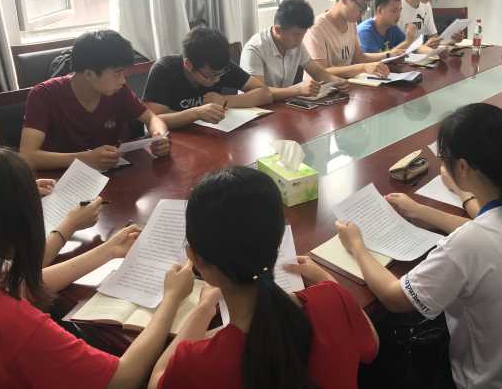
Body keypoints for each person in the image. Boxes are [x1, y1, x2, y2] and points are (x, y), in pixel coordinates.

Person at [337, 103, 502, 388]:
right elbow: (486, 231)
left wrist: (357, 247)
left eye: (443, 157)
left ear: (462, 167)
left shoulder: (470, 244)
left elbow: (395, 298)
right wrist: (421, 210)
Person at [0, 147, 195, 389]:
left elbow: (18, 285)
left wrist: (109, 250)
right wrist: (171, 298)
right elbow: (121, 379)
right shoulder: (12, 322)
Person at [149, 166, 378, 389]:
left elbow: (157, 380)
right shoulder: (334, 298)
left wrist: (203, 308)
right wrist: (327, 281)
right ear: (279, 241)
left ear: (195, 258)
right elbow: (372, 346)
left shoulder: (195, 364)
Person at [20, 30, 170, 171]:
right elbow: (28, 156)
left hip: (115, 173)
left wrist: (159, 136)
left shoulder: (118, 90)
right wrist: (84, 159)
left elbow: (152, 118)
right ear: (89, 74)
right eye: (117, 73)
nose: (123, 80)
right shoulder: (43, 95)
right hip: (63, 179)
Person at [143, 27, 272, 129]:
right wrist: (196, 113)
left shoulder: (220, 65)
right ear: (188, 65)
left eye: (220, 74)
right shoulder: (164, 70)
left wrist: (225, 100)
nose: (216, 80)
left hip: (213, 135)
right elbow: (153, 119)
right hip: (176, 139)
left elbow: (265, 93)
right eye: (210, 76)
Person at [239, 0, 349, 101]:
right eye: (296, 34)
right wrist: (298, 90)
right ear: (278, 30)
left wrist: (336, 81)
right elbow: (258, 92)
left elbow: (317, 71)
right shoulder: (255, 49)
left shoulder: (296, 43)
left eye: (303, 34)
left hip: (283, 104)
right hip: (257, 109)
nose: (300, 39)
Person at [302, 0, 399, 79]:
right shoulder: (316, 28)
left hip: (344, 84)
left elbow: (359, 57)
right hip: (321, 88)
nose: (363, 13)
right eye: (361, 7)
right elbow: (320, 72)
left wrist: (388, 55)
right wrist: (363, 68)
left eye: (366, 8)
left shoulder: (351, 22)